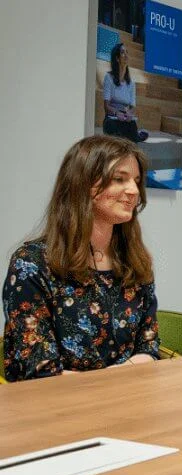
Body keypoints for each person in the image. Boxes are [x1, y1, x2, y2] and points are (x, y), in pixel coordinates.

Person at [2, 135, 159, 382]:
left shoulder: (135, 261)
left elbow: (149, 347)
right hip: (54, 410)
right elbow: (38, 369)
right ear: (82, 184)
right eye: (119, 179)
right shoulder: (31, 264)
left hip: (127, 400)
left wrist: (114, 382)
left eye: (136, 181)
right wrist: (109, 384)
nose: (133, 191)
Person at [102, 43, 147, 143]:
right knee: (114, 129)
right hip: (112, 117)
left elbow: (132, 106)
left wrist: (130, 113)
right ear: (117, 58)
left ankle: (137, 136)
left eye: (127, 52)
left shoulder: (131, 83)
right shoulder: (109, 78)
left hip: (125, 117)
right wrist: (116, 113)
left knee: (132, 125)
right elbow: (106, 106)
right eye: (123, 52)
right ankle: (138, 136)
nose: (126, 55)